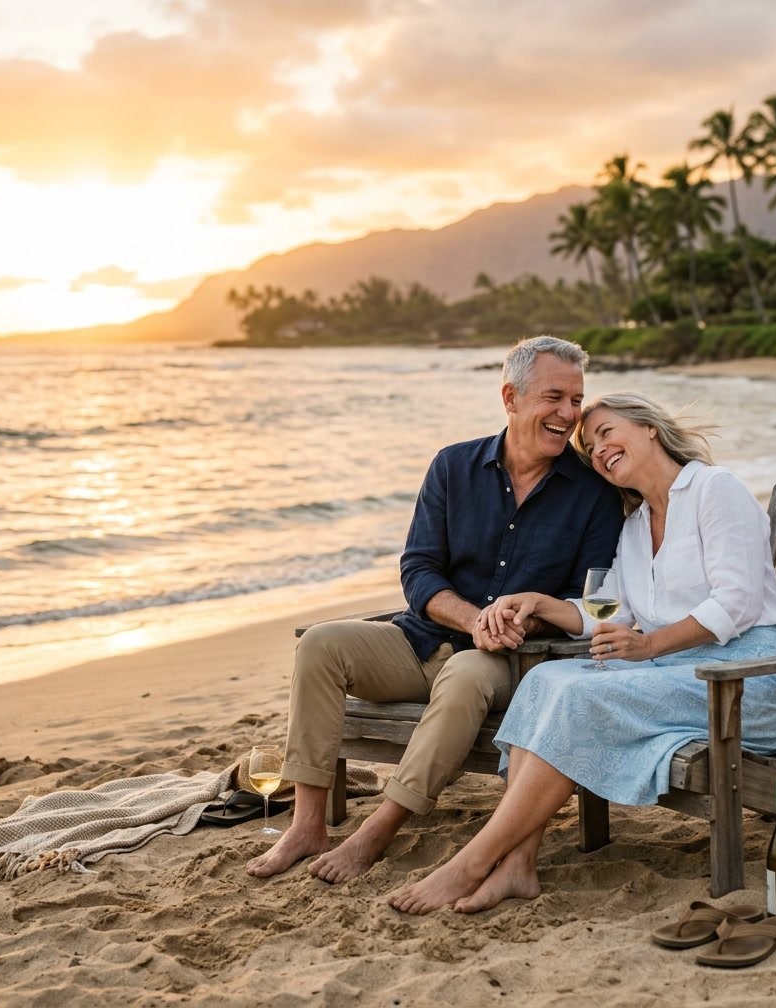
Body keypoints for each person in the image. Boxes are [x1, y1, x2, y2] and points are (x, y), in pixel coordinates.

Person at [387, 391, 776, 915]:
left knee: (581, 699)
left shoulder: (714, 489)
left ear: (649, 428)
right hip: (677, 673)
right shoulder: (635, 525)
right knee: (545, 681)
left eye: (606, 433)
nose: (599, 450)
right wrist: (539, 603)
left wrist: (648, 645)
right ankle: (518, 865)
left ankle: (472, 863)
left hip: (747, 680)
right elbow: (612, 610)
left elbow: (736, 602)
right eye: (590, 445)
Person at [246, 335, 625, 881]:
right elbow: (419, 569)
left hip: (510, 660)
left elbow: (586, 599)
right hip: (422, 640)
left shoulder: (593, 494)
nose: (568, 414)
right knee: (321, 644)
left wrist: (520, 620)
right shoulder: (452, 467)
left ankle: (378, 830)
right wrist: (473, 618)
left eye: (576, 400)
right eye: (553, 398)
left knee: (466, 676)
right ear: (511, 397)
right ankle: (306, 826)